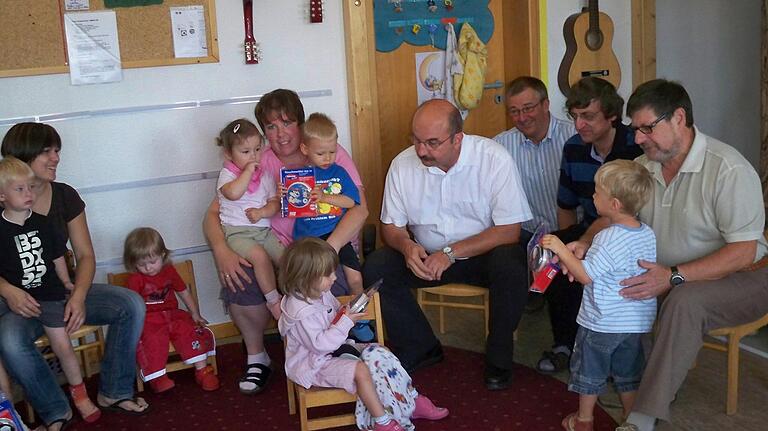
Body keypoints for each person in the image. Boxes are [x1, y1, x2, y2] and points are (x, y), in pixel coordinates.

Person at [568, 80, 768, 431]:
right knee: (612, 284)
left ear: (679, 118)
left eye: (648, 128)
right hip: (667, 272)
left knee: (684, 301)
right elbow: (613, 214)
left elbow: (743, 251)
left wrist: (673, 275)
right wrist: (585, 242)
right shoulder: (644, 166)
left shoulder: (728, 169)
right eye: (636, 129)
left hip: (745, 276)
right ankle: (625, 379)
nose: (639, 138)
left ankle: (642, 419)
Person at [202, 89, 368, 395]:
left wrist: (327, 251)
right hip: (276, 245)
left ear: (302, 126)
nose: (280, 134)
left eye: (287, 123)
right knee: (241, 276)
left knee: (333, 281)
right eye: (271, 127)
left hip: (324, 245)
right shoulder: (255, 160)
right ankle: (258, 357)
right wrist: (221, 249)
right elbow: (213, 213)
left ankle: (337, 346)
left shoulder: (327, 150)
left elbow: (360, 208)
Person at [362, 99, 532, 390]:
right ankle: (421, 347)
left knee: (512, 264)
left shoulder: (493, 158)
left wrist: (451, 253)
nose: (421, 150)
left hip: (483, 254)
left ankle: (499, 358)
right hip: (427, 256)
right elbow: (390, 226)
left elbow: (509, 230)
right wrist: (405, 246)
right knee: (378, 266)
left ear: (457, 139)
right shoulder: (403, 164)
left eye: (431, 142)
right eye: (416, 139)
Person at [0, 122, 148, 431]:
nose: (56, 158)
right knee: (10, 339)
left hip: (61, 288)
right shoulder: (2, 199)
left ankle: (114, 391)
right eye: (47, 152)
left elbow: (85, 256)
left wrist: (79, 297)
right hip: (22, 300)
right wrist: (8, 290)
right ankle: (56, 410)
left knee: (130, 304)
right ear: (22, 155)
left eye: (57, 151)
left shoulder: (65, 195)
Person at [278, 237, 448, 431]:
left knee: (381, 351)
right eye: (328, 274)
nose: (334, 278)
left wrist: (346, 310)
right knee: (361, 370)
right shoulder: (301, 312)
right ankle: (382, 421)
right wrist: (346, 321)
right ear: (305, 277)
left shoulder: (319, 292)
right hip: (314, 365)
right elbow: (321, 345)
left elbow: (333, 314)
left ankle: (411, 398)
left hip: (334, 351)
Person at [536, 77, 644, 374]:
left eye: (589, 116)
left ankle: (616, 355)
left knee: (581, 254)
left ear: (611, 115)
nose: (580, 124)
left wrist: (582, 243)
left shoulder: (634, 147)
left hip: (629, 232)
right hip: (591, 229)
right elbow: (566, 205)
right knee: (556, 256)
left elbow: (620, 215)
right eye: (575, 117)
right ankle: (564, 345)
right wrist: (569, 245)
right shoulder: (573, 148)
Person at [540, 160, 656, 431]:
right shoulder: (646, 233)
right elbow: (608, 267)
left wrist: (560, 249)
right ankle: (631, 421)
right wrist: (578, 255)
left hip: (603, 322)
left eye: (597, 192)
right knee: (628, 373)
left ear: (614, 204)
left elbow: (585, 276)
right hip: (634, 322)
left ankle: (584, 421)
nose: (592, 196)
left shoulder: (608, 236)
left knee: (589, 372)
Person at [0, 157, 101, 424]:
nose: (28, 194)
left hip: (50, 294)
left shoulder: (43, 223)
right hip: (22, 301)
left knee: (62, 345)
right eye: (19, 189)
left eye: (30, 188)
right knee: (12, 339)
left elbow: (57, 256)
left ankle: (79, 393)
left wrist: (68, 282)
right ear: (2, 196)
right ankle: (46, 407)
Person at [493, 76, 576, 315]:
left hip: (569, 229)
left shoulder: (573, 137)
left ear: (546, 104)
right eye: (514, 111)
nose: (522, 117)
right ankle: (532, 289)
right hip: (526, 235)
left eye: (528, 108)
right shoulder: (500, 145)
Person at [122, 227, 219, 393]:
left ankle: (202, 369)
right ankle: (157, 378)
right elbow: (132, 305)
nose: (148, 268)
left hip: (173, 314)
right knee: (152, 340)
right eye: (141, 264)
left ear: (163, 255)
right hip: (149, 319)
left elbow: (183, 292)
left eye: (152, 262)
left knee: (189, 330)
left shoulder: (169, 271)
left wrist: (195, 313)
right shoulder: (135, 279)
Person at [215, 118, 283, 320]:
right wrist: (247, 172)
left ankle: (296, 297)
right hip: (238, 233)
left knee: (287, 258)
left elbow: (274, 203)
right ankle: (274, 302)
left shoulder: (265, 175)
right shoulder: (228, 174)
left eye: (257, 149)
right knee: (260, 258)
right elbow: (233, 193)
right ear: (229, 154)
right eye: (245, 152)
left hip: (264, 231)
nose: (253, 156)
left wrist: (262, 212)